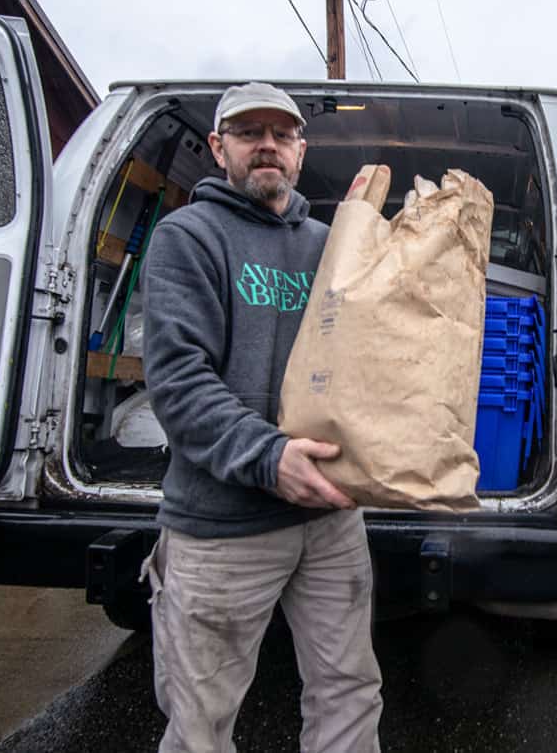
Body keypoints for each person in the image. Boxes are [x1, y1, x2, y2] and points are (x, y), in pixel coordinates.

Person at [139, 82, 383, 753]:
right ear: (220, 148)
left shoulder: (330, 244)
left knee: (350, 691)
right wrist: (270, 457)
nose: (267, 144)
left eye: (282, 132)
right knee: (201, 723)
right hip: (222, 524)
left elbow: (367, 357)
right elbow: (179, 383)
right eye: (249, 132)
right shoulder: (187, 237)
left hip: (329, 519)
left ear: (302, 151)